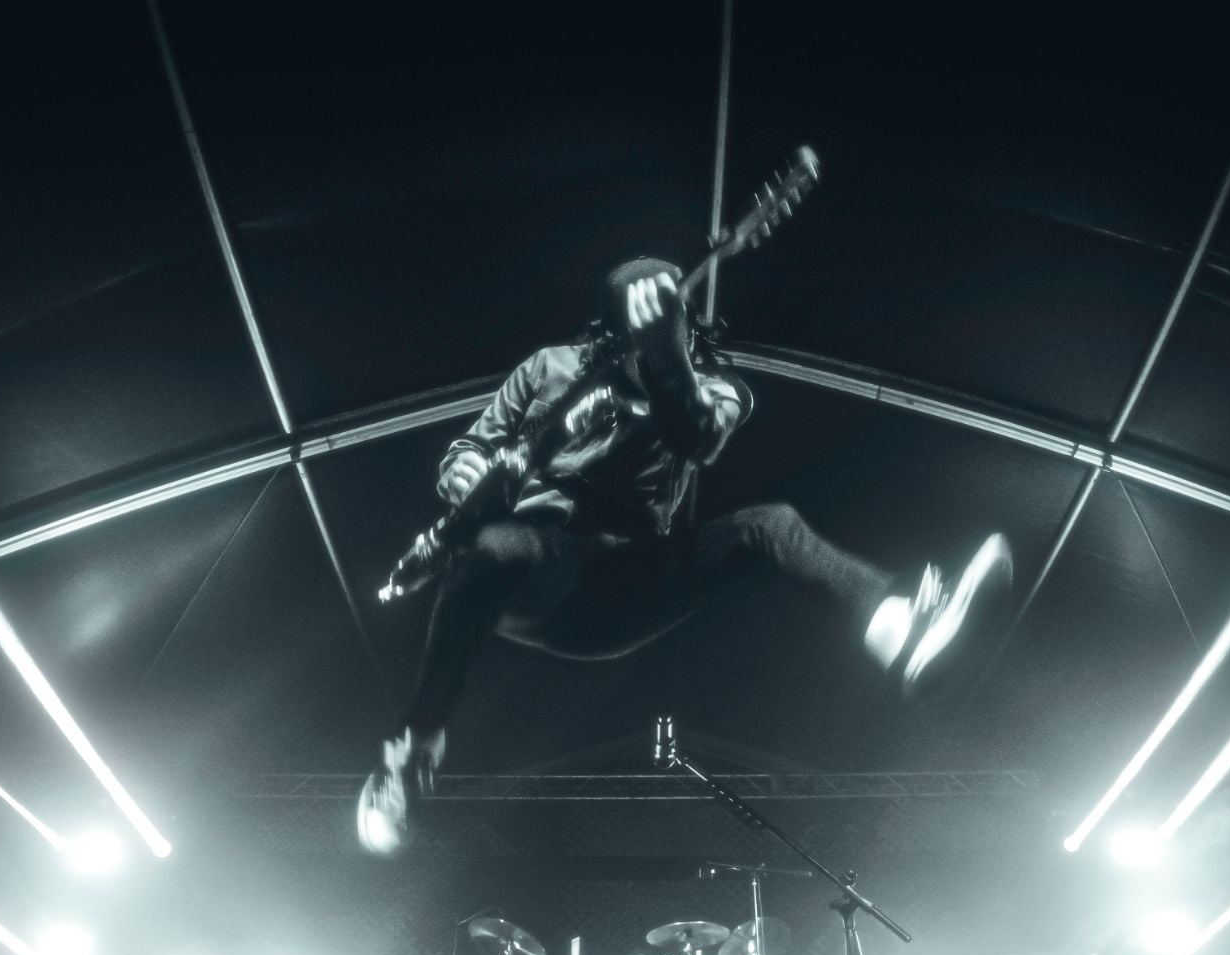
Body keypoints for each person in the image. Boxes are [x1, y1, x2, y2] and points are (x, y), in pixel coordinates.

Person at [358, 258, 1014, 852]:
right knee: (491, 550)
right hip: (539, 562)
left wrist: (667, 359)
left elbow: (697, 433)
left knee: (768, 526)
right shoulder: (548, 366)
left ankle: (897, 626)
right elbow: (471, 447)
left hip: (626, 578)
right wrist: (466, 472)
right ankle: (414, 745)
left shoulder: (717, 384)